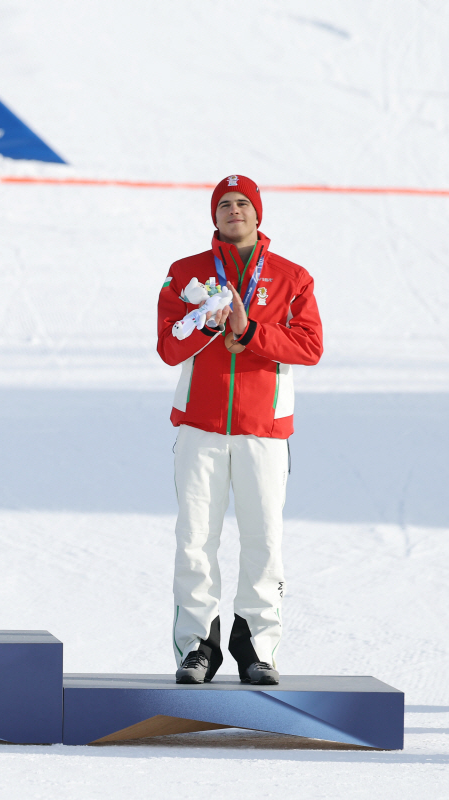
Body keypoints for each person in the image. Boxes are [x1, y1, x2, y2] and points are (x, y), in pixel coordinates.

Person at [157, 175, 323, 685]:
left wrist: (250, 332)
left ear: (258, 214)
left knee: (263, 541)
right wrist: (208, 323)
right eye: (225, 204)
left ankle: (256, 648)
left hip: (263, 432)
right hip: (201, 428)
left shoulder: (292, 277)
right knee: (194, 541)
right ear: (214, 216)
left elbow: (310, 346)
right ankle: (197, 648)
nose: (234, 211)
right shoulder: (185, 274)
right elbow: (168, 346)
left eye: (243, 203)